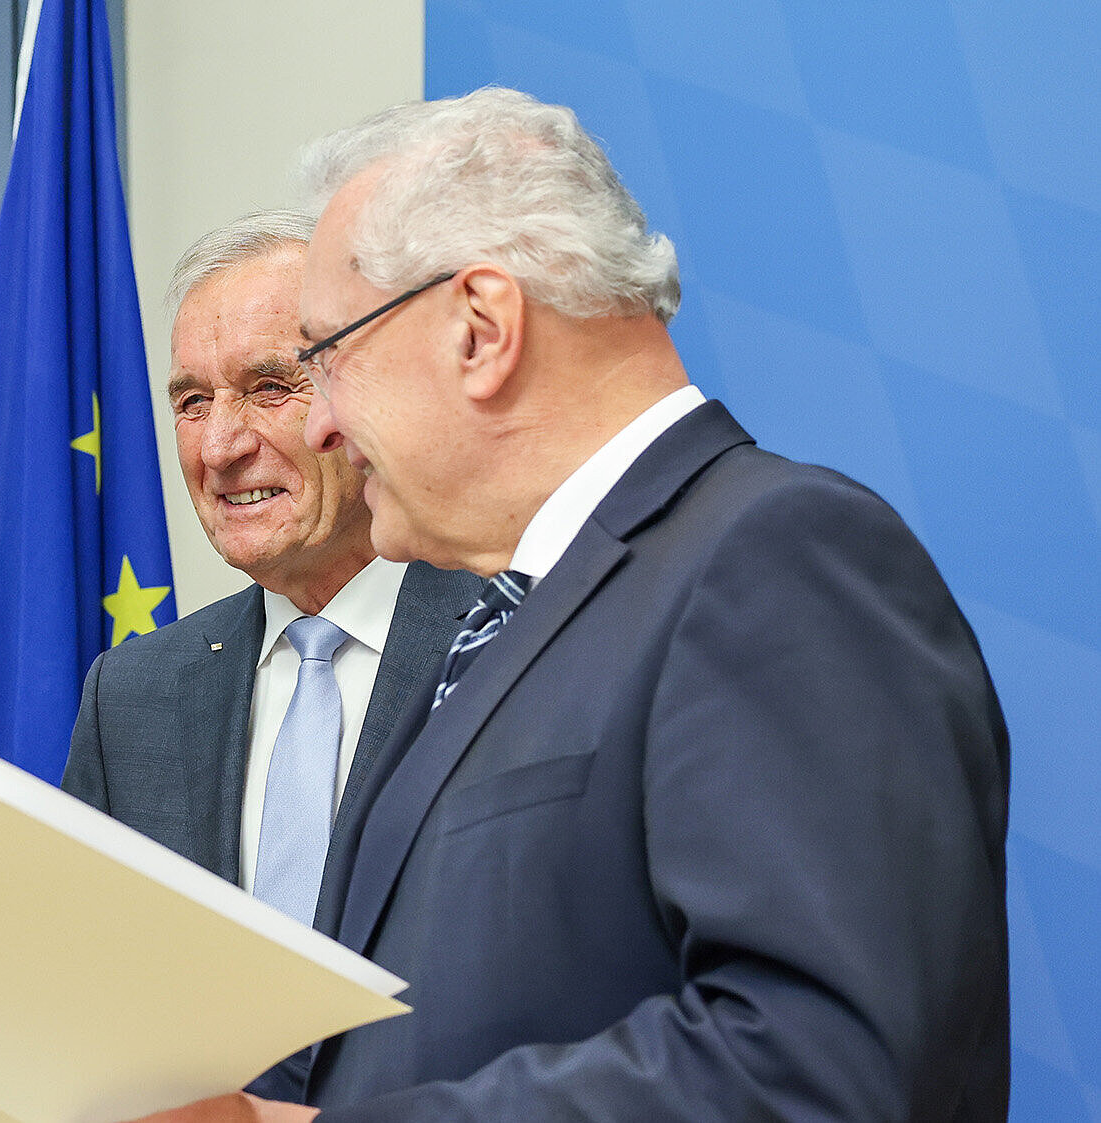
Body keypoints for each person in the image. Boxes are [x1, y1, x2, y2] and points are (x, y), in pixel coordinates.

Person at [138, 88, 1008, 1122]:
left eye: (324, 357)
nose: (319, 422)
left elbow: (822, 1068)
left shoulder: (775, 557)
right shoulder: (507, 617)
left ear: (481, 328)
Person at [63, 211, 479, 943]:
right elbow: (90, 972)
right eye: (192, 402)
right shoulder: (129, 695)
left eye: (268, 387)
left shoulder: (511, 638)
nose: (219, 446)